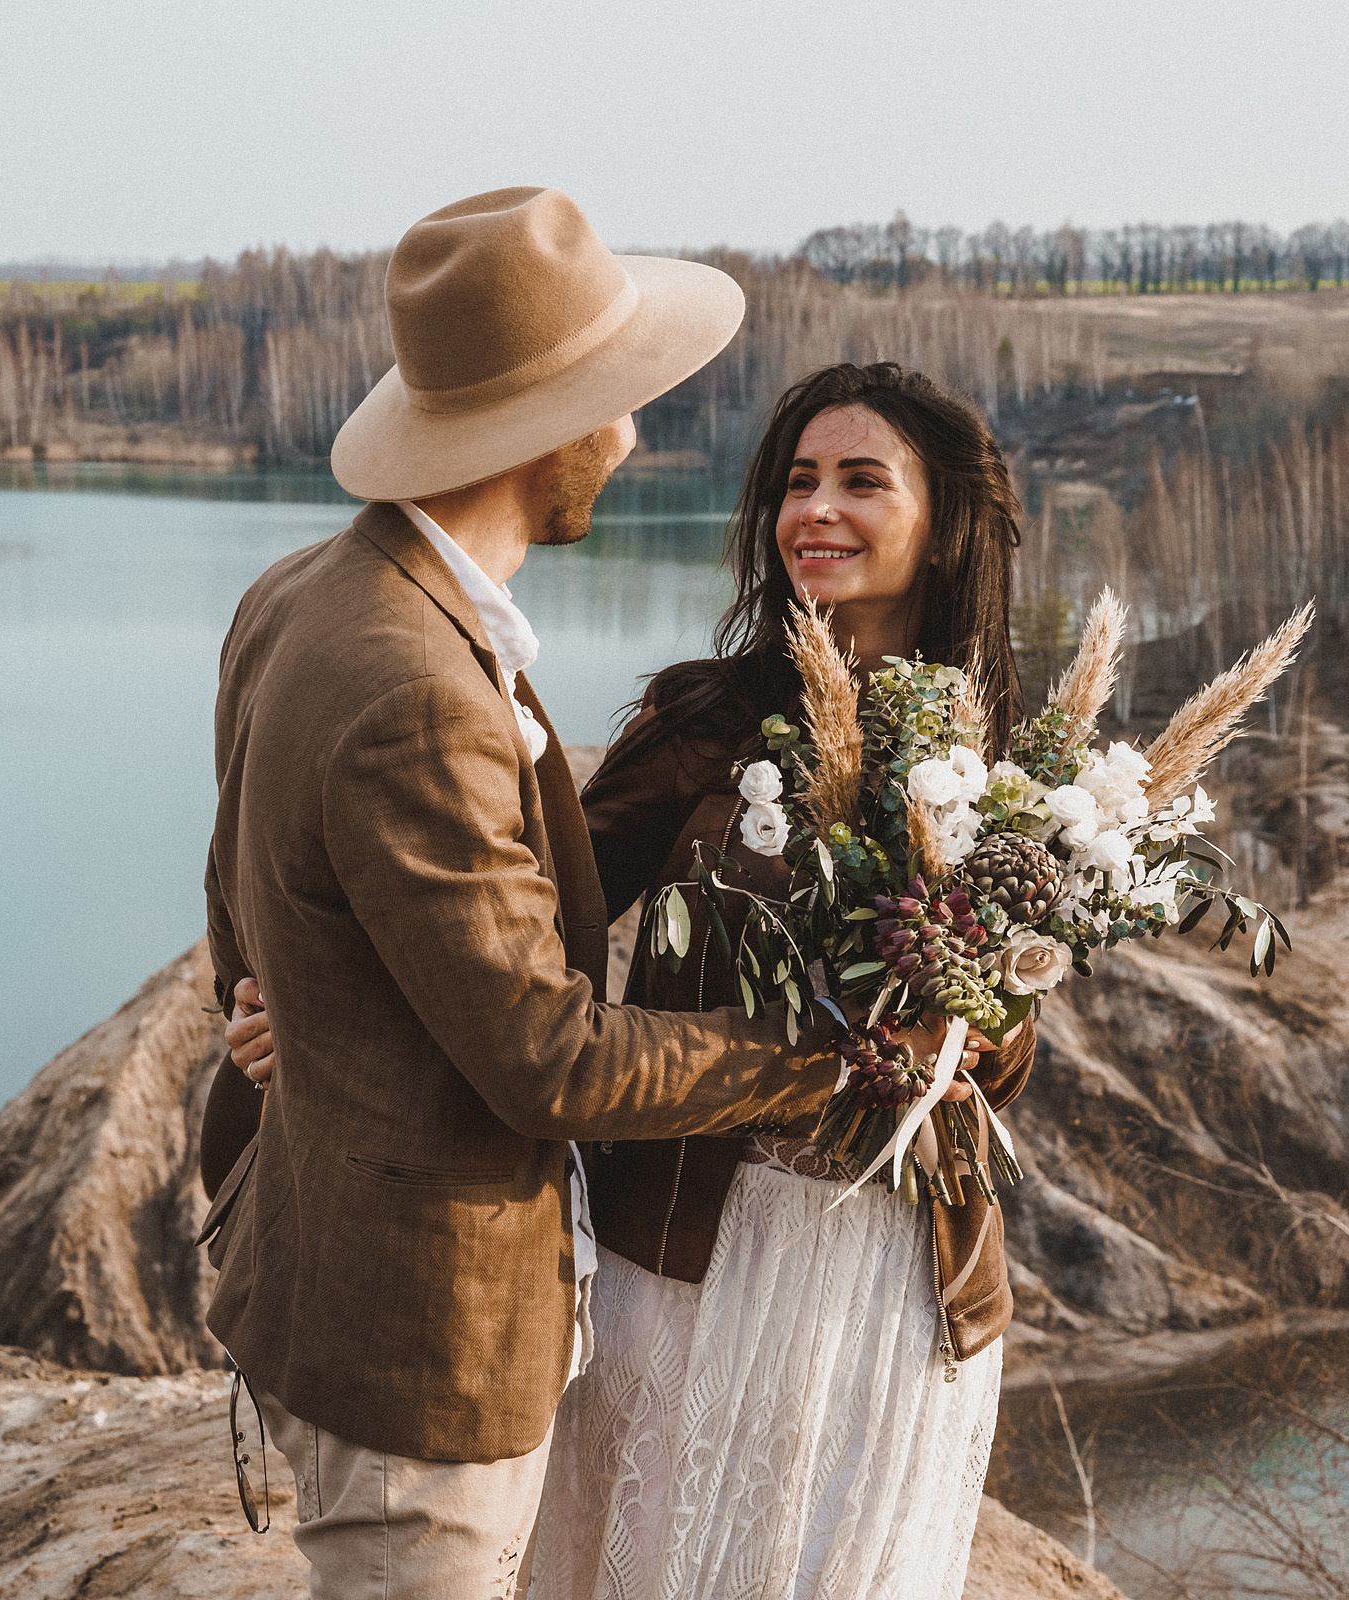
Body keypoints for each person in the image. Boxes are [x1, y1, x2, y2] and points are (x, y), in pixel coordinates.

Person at [195, 191, 961, 1600]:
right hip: (420, 1339)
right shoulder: (417, 684)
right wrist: (821, 1061)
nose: (635, 436)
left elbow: (241, 897)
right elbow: (547, 1057)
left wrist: (286, 1002)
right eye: (619, 404)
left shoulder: (304, 593)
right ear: (551, 428)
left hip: (366, 1284)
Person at [527, 362, 1039, 1600]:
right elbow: (530, 913)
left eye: (863, 481)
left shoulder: (1008, 756)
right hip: (690, 1248)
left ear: (945, 522)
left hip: (892, 1279)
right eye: (798, 482)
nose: (817, 510)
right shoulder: (706, 719)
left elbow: (1005, 1063)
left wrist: (956, 1018)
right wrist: (328, 992)